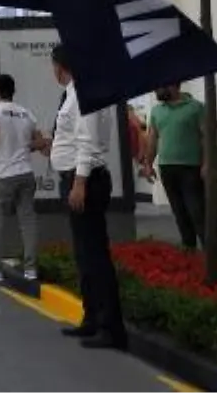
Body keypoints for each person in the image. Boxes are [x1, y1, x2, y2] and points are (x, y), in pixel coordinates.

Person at [50, 44, 127, 350]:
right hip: (78, 177)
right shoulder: (75, 93)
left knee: (95, 255)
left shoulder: (83, 93)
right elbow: (74, 137)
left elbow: (88, 141)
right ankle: (92, 318)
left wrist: (79, 182)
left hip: (86, 181)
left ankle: (110, 327)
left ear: (60, 66)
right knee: (84, 254)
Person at [0, 73, 43, 283]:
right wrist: (23, 147)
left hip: (3, 174)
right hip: (26, 173)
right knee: (27, 221)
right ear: (13, 91)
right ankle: (31, 269)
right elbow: (39, 143)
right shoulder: (27, 114)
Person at [146, 82, 206, 250]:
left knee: (197, 212)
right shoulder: (157, 111)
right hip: (167, 168)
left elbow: (206, 137)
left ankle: (211, 255)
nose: (156, 89)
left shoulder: (196, 108)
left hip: (191, 168)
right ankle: (189, 251)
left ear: (173, 85)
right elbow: (152, 139)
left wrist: (206, 164)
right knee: (180, 213)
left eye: (160, 86)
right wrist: (148, 164)